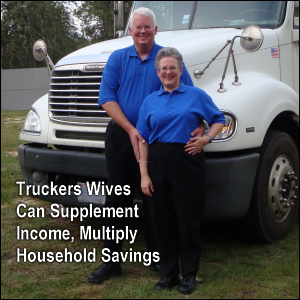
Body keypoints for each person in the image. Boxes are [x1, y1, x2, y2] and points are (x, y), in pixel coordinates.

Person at [88, 7, 204, 284]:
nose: (142, 31)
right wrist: (130, 130)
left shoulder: (167, 58)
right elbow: (106, 97)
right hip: (121, 136)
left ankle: (159, 261)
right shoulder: (117, 58)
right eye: (137, 27)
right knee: (118, 200)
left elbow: (188, 93)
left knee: (156, 198)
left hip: (158, 141)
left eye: (147, 27)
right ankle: (112, 262)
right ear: (130, 31)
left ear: (155, 30)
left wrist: (200, 122)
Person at [136, 47, 225, 294]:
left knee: (188, 219)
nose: (168, 72)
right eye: (163, 68)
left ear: (180, 70)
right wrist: (144, 174)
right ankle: (168, 274)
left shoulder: (196, 95)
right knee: (161, 220)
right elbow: (143, 138)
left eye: (172, 67)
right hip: (158, 161)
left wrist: (206, 138)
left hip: (188, 159)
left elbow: (219, 119)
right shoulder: (149, 101)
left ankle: (189, 274)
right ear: (157, 72)